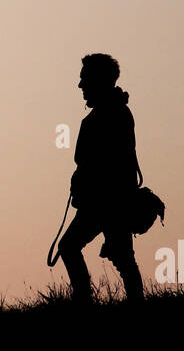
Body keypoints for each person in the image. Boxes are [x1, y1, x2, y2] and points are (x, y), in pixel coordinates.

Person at [58, 53, 143, 305]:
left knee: (74, 248)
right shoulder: (113, 113)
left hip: (106, 201)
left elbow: (110, 162)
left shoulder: (111, 115)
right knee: (121, 257)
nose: (80, 85)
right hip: (103, 200)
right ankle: (131, 305)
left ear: (99, 80)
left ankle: (84, 302)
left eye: (85, 79)